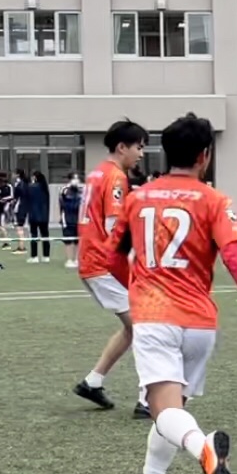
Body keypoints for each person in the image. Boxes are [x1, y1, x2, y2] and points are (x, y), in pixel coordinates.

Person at [114, 113, 237, 474]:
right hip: (199, 323)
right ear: (205, 156)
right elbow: (235, 259)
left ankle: (203, 448)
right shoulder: (215, 201)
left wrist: (137, 287)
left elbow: (114, 256)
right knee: (170, 415)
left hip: (155, 317)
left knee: (167, 415)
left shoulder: (137, 198)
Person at [72, 120, 150, 416]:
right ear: (122, 147)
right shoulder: (116, 177)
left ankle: (93, 382)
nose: (141, 154)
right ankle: (147, 400)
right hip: (103, 262)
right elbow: (114, 226)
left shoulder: (97, 173)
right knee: (146, 328)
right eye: (139, 147)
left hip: (92, 259)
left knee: (133, 327)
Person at [25, 170, 53, 262]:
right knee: (45, 236)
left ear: (34, 177)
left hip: (33, 215)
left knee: (34, 236)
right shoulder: (44, 187)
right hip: (44, 216)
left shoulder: (31, 187)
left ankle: (34, 256)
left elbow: (27, 198)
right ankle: (46, 256)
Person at [60, 173, 84, 267]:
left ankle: (77, 259)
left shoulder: (81, 190)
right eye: (74, 178)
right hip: (67, 218)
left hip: (79, 218)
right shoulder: (65, 190)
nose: (76, 180)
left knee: (78, 240)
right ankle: (69, 260)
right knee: (68, 240)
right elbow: (63, 203)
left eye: (78, 178)